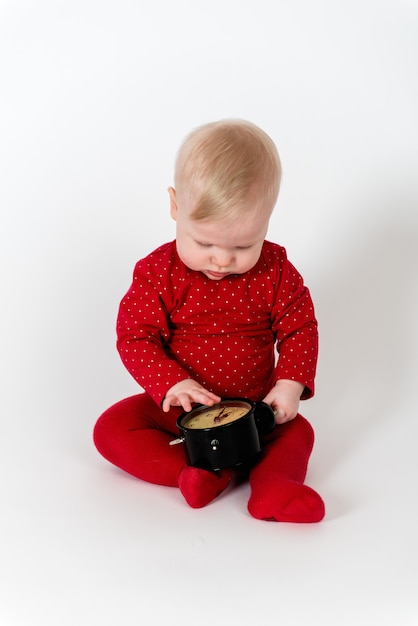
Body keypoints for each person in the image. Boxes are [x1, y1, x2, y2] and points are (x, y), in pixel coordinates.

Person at [93, 119, 325, 523]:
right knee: (112, 429)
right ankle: (195, 473)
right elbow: (135, 337)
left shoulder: (276, 271)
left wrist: (288, 386)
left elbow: (299, 328)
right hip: (181, 413)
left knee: (299, 434)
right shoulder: (158, 273)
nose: (221, 259)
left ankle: (274, 489)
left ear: (267, 221)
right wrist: (171, 383)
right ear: (175, 206)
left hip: (256, 412)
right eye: (203, 242)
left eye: (242, 245)